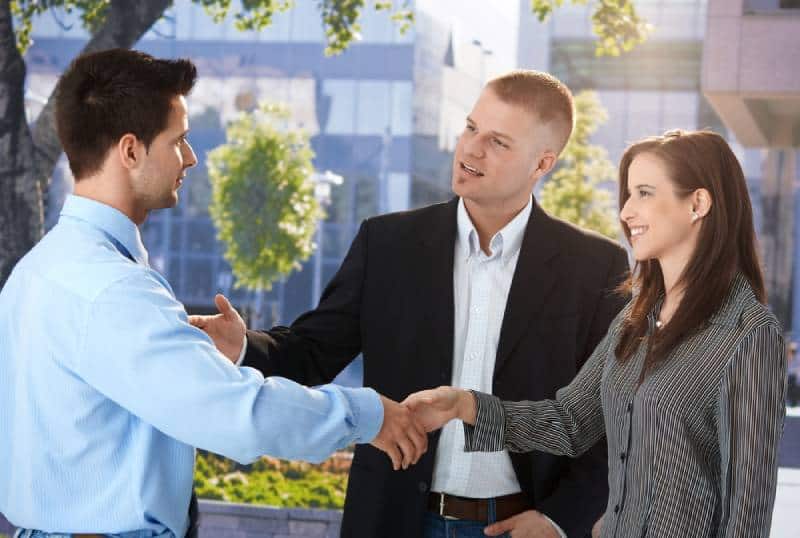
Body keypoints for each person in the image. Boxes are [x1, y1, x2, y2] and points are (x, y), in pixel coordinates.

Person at [0, 49, 427, 538]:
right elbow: (238, 416)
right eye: (178, 140)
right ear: (131, 151)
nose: (191, 157)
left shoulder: (35, 273)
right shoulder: (114, 289)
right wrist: (367, 414)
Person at [191, 70, 630, 537]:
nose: (471, 149)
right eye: (470, 128)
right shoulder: (387, 244)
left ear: (543, 164)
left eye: (498, 142)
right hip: (394, 520)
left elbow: (612, 419)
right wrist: (243, 346)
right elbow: (311, 351)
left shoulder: (595, 267)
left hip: (521, 525)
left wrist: (559, 519)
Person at [405, 129, 788, 538]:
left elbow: (748, 508)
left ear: (697, 203)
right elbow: (570, 423)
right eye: (627, 195)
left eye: (644, 193)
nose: (625, 212)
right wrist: (464, 406)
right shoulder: (636, 319)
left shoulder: (749, 335)